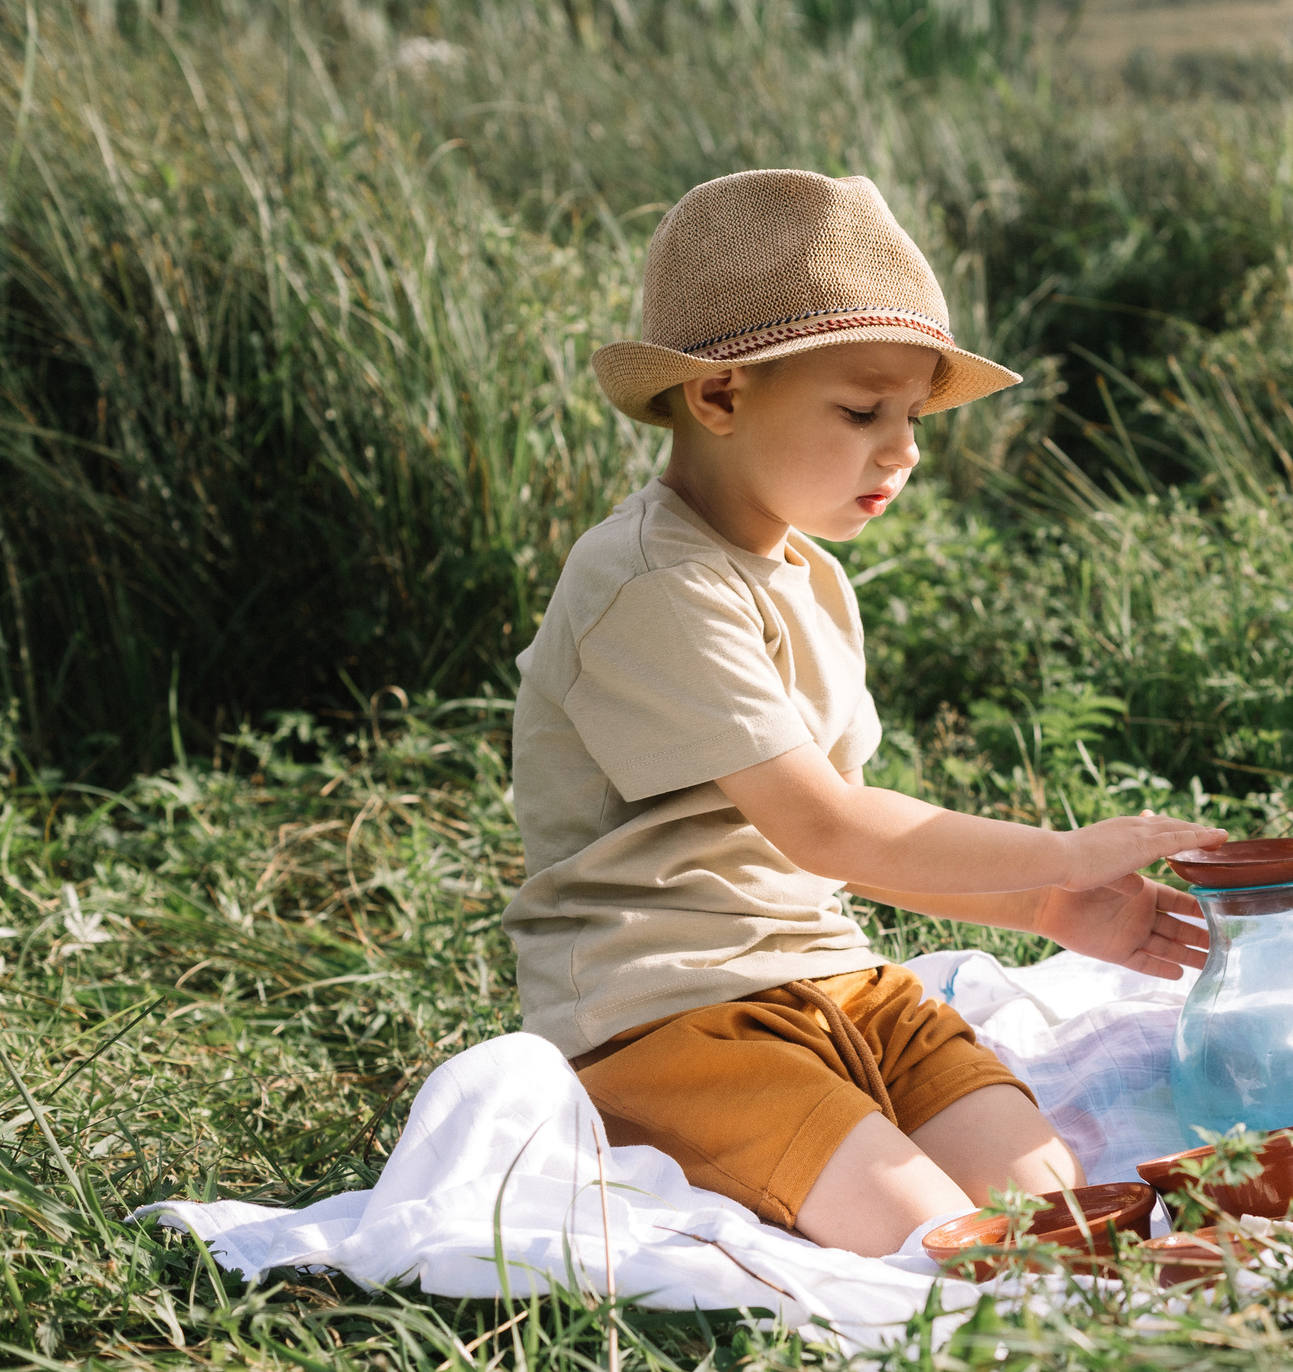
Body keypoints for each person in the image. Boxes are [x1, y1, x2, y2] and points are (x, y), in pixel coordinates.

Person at [504, 169, 1224, 1257]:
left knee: (1050, 1193)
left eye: (913, 416)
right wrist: (1066, 853)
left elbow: (837, 842)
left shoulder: (807, 573)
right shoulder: (652, 581)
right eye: (861, 411)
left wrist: (1046, 907)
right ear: (719, 397)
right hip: (670, 1015)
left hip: (836, 977)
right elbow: (827, 826)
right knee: (934, 1236)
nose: (905, 450)